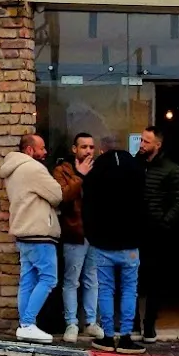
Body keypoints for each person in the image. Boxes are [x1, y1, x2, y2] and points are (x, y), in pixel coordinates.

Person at [82, 136, 146, 355]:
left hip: (103, 243)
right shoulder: (136, 169)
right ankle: (126, 337)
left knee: (106, 289)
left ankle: (108, 336)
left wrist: (92, 235)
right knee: (129, 290)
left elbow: (87, 207)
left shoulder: (95, 172)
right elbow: (143, 204)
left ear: (102, 150)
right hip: (130, 242)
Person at [0, 134, 63, 344]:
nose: (45, 152)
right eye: (41, 148)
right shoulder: (34, 168)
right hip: (38, 232)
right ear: (29, 150)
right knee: (48, 279)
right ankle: (28, 323)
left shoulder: (12, 169)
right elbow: (57, 194)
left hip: (23, 232)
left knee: (28, 280)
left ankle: (24, 325)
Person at [135, 124, 179, 343]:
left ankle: (149, 326)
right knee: (133, 279)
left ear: (158, 144)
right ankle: (132, 323)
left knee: (155, 280)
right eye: (141, 140)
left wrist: (164, 222)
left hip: (157, 233)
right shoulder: (135, 165)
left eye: (146, 141)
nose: (142, 144)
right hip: (136, 231)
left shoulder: (171, 169)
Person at [52, 132, 103, 343]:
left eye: (91, 147)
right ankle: (71, 323)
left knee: (92, 279)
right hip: (74, 231)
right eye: (84, 147)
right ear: (74, 149)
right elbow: (63, 196)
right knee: (71, 280)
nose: (88, 151)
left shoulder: (98, 169)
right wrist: (80, 175)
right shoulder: (62, 170)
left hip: (94, 232)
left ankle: (91, 322)